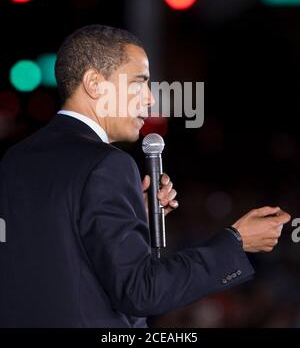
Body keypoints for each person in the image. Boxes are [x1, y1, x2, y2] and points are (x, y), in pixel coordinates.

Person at [0, 25, 290, 328]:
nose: (150, 99)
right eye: (139, 83)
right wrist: (236, 242)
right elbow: (140, 292)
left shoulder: (15, 159)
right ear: (94, 84)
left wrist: (131, 217)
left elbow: (58, 264)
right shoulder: (107, 164)